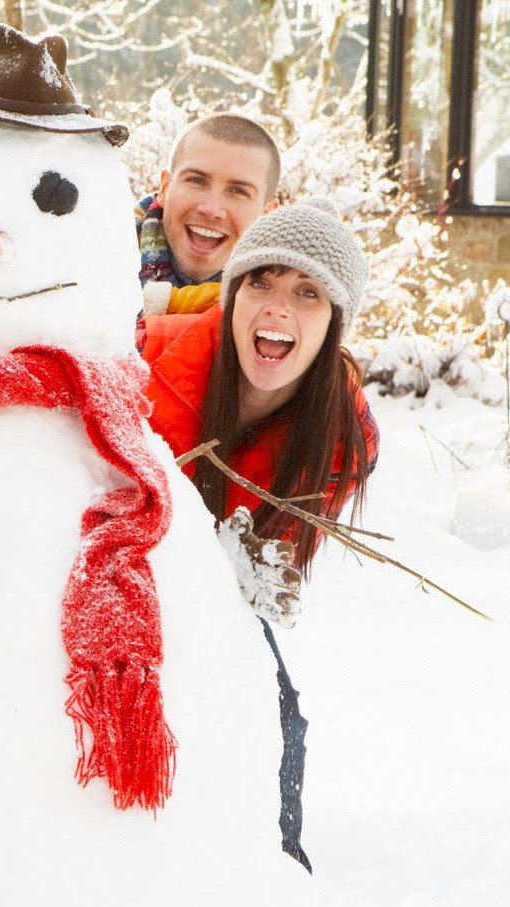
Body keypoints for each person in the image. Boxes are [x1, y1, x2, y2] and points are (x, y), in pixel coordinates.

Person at [139, 199, 379, 871]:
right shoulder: (146, 357)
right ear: (233, 295)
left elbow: (268, 573)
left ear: (334, 322)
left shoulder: (343, 439)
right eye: (261, 281)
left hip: (214, 594)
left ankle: (273, 878)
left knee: (278, 719)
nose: (278, 307)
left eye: (308, 293)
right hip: (111, 576)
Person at [137, 113, 282, 318]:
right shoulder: (98, 265)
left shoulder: (281, 313)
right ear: (165, 188)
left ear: (268, 215)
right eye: (196, 181)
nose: (211, 209)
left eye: (239, 192)